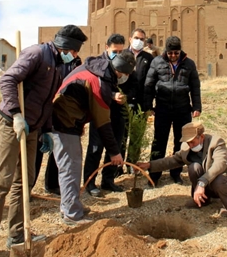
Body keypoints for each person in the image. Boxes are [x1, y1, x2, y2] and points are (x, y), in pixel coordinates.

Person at [0, 25, 87, 257]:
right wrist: (15, 114)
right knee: (2, 182)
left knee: (23, 182)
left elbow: (47, 102)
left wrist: (45, 129)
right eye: (74, 51)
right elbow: (8, 79)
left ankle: (16, 233)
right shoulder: (36, 54)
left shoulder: (58, 66)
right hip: (11, 125)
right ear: (66, 47)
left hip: (33, 128)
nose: (75, 56)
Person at [51, 50, 136, 225]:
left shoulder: (97, 67)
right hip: (63, 121)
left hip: (68, 119)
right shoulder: (100, 82)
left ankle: (69, 205)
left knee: (71, 166)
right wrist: (114, 152)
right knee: (70, 168)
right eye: (126, 74)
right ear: (121, 71)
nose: (126, 77)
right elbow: (103, 123)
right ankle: (71, 214)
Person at [138, 121, 227, 215]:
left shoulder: (216, 143)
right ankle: (203, 200)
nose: (190, 145)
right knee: (194, 167)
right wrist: (149, 165)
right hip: (206, 184)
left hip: (224, 183)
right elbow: (172, 161)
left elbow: (220, 165)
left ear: (201, 137)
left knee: (218, 179)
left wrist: (202, 183)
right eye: (188, 142)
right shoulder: (186, 147)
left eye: (192, 142)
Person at [83, 34, 138, 196]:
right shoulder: (98, 64)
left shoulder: (125, 64)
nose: (118, 55)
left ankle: (108, 181)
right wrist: (112, 95)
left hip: (119, 113)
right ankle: (90, 182)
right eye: (115, 51)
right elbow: (96, 87)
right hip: (100, 112)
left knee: (116, 146)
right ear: (107, 48)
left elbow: (135, 85)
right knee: (96, 147)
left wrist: (126, 97)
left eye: (121, 51)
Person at [144, 36, 201, 186]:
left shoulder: (189, 64)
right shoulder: (156, 62)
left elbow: (195, 86)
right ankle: (154, 175)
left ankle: (176, 173)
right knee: (159, 142)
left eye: (176, 53)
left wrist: (196, 106)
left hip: (182, 109)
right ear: (166, 51)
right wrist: (148, 106)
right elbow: (149, 86)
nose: (173, 56)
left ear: (180, 51)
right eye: (170, 53)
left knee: (180, 143)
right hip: (162, 108)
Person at [34, 54, 84, 195]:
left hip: (60, 111)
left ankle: (52, 184)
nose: (73, 54)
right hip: (43, 109)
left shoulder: (76, 62)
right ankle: (28, 187)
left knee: (57, 149)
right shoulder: (49, 60)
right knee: (37, 151)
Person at [119, 28, 153, 170]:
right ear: (130, 38)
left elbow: (151, 83)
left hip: (141, 104)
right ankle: (118, 167)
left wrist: (149, 105)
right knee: (121, 136)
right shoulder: (122, 55)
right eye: (136, 38)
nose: (139, 41)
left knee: (136, 136)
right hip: (122, 103)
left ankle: (131, 165)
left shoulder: (148, 58)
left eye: (142, 39)